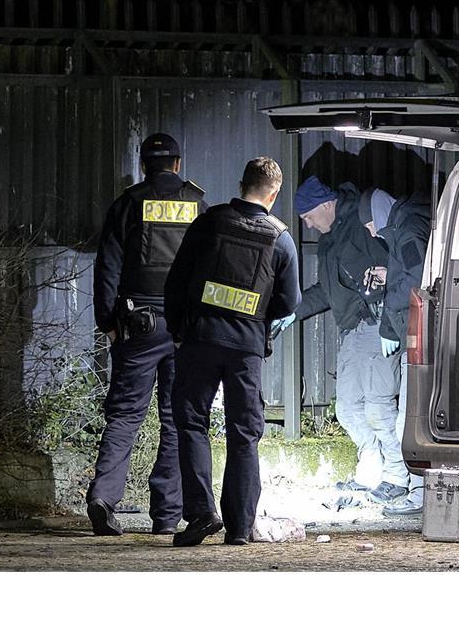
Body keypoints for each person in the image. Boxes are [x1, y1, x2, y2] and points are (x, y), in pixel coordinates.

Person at [164, 157, 300, 547]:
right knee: (243, 434)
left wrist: (178, 330)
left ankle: (202, 514)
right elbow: (289, 301)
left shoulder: (209, 222)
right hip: (246, 348)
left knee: (191, 423)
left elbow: (177, 281)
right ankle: (239, 527)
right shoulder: (281, 238)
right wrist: (257, 318)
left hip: (199, 340)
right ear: (274, 194)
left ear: (241, 184)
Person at [87, 133, 207, 536]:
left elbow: (107, 267)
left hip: (136, 323)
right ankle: (167, 516)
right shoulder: (196, 204)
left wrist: (109, 322)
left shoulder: (127, 203)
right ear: (176, 164)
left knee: (124, 415)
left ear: (144, 166)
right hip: (183, 327)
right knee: (175, 420)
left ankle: (103, 498)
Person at [275, 176, 405, 504]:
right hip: (353, 330)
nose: (306, 223)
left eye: (307, 215)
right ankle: (371, 472)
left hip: (378, 324)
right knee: (348, 408)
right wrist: (295, 311)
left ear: (327, 205)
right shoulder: (329, 240)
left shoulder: (362, 226)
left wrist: (390, 322)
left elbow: (396, 271)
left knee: (378, 406)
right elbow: (327, 291)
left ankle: (397, 476)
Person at [359, 188, 432, 516]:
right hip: (414, 332)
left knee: (410, 417)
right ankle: (414, 489)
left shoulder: (407, 227)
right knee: (407, 413)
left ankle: (419, 494)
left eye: (370, 224)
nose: (371, 232)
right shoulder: (405, 225)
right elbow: (410, 271)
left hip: (416, 333)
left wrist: (389, 326)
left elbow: (416, 281)